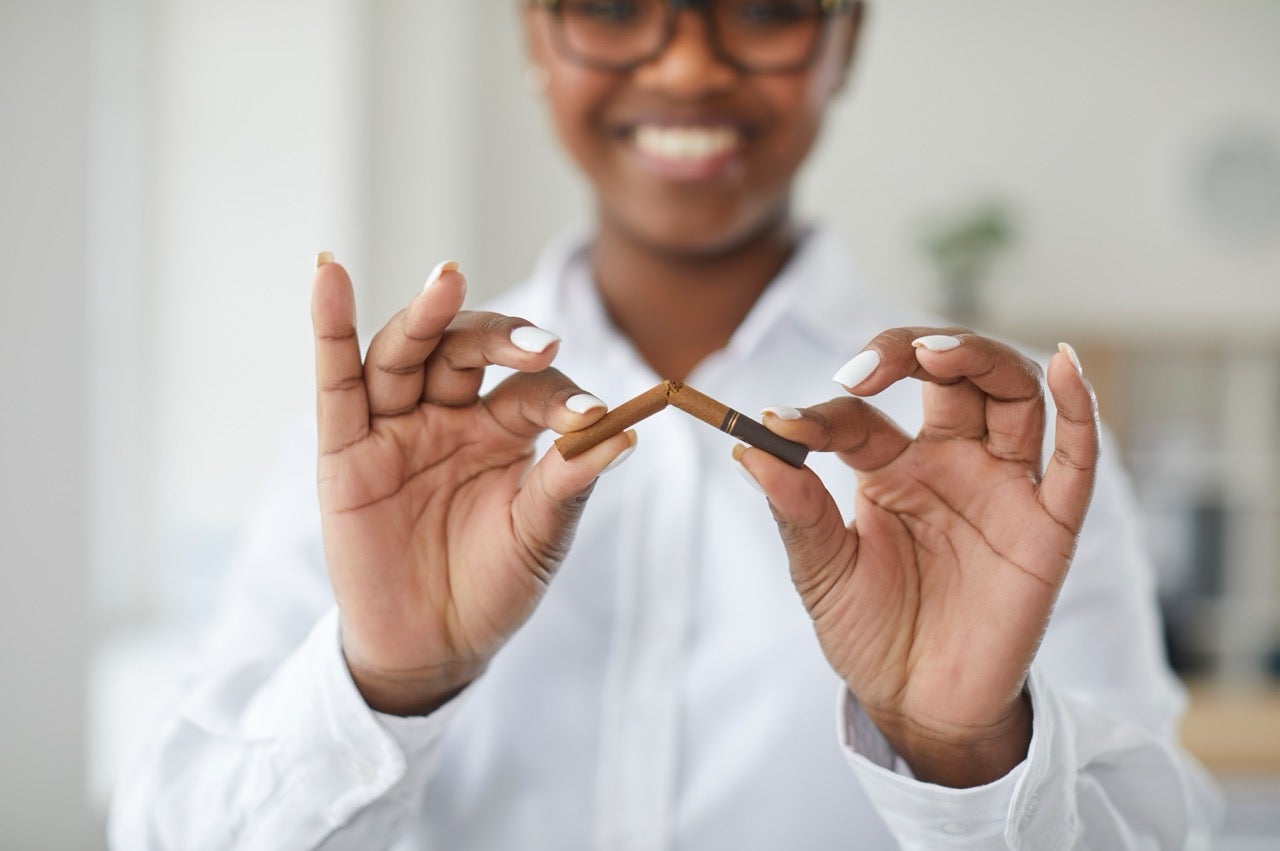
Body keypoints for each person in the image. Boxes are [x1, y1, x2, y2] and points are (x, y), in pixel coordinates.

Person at [110, 1, 1218, 848]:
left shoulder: (988, 455)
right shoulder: (386, 436)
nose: (686, 63)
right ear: (533, 36)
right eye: (609, 2)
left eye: (767, 6)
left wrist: (964, 753)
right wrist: (383, 683)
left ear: (846, 45)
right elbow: (171, 824)